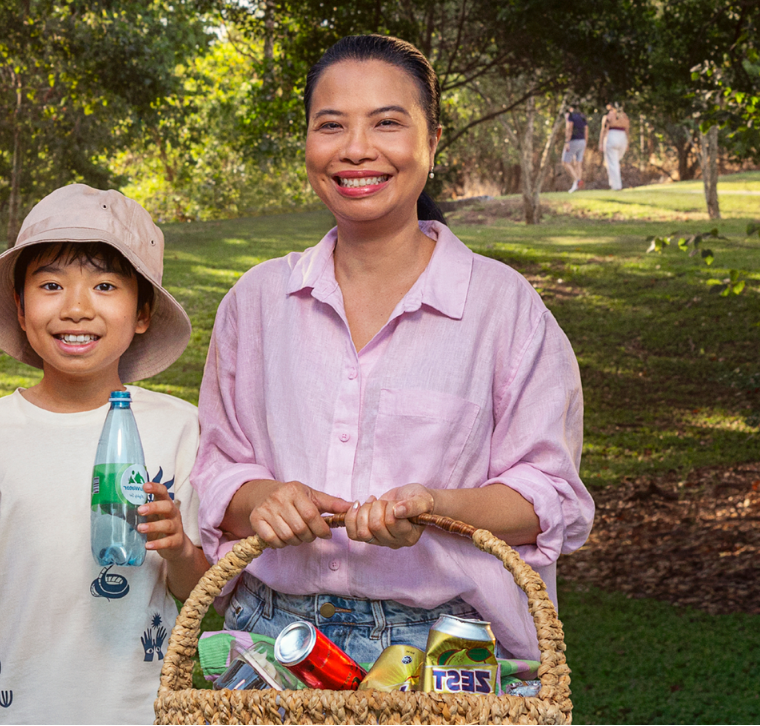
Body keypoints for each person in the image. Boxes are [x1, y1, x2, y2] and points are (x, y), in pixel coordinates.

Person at [192, 34, 595, 667]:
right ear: (307, 143)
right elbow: (218, 468)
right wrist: (262, 499)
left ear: (432, 141)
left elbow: (548, 498)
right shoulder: (255, 302)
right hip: (271, 648)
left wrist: (437, 508)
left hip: (448, 655)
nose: (356, 149)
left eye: (387, 123)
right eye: (331, 125)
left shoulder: (502, 307)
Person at [0, 185, 209, 724]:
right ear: (19, 306)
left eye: (105, 285)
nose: (77, 308)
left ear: (142, 313)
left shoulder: (179, 428)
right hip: (10, 709)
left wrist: (178, 546)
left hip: (135, 709)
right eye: (52, 284)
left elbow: (198, 594)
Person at [598, 103, 631, 191]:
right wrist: (627, 142)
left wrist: (601, 143)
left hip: (612, 136)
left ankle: (616, 186)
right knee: (615, 161)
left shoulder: (609, 116)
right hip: (622, 138)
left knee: (612, 163)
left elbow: (604, 129)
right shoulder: (624, 116)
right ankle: (615, 184)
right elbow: (627, 129)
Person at [560, 105, 589, 193]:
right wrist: (585, 144)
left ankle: (577, 180)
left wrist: (567, 141)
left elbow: (569, 128)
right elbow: (586, 130)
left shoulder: (570, 116)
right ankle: (577, 187)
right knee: (578, 164)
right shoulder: (582, 116)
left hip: (573, 141)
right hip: (582, 141)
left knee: (565, 162)